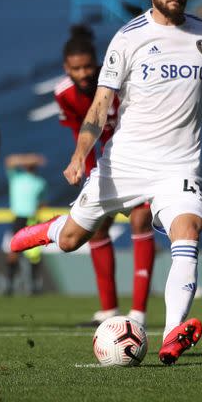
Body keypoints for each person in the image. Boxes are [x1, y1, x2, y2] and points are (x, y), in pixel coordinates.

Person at [11, 0, 202, 364]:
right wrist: (79, 153)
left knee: (187, 232)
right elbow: (101, 104)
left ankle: (173, 333)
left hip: (179, 166)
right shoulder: (129, 37)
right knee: (70, 242)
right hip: (125, 164)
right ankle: (53, 228)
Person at [55, 24, 156, 327]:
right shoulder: (64, 95)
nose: (84, 73)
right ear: (66, 68)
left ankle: (138, 313)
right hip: (105, 166)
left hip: (137, 160)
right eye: (77, 68)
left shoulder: (118, 82)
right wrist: (84, 169)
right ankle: (109, 310)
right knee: (96, 229)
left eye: (89, 66)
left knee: (141, 219)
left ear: (99, 63)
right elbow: (79, 132)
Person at [3, 153, 47, 296]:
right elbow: (9, 161)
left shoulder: (40, 182)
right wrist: (31, 158)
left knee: (34, 254)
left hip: (32, 219)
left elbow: (42, 202)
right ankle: (9, 286)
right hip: (19, 218)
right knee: (13, 252)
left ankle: (35, 287)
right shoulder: (16, 178)